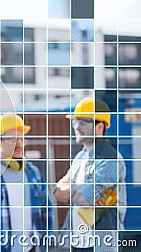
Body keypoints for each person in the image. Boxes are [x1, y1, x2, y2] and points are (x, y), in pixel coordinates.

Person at [0, 114, 53, 252]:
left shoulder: (34, 174)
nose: (19, 144)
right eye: (13, 139)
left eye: (21, 139)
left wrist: (44, 246)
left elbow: (47, 211)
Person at [54, 97, 127, 252]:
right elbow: (57, 193)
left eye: (83, 122)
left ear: (99, 126)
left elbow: (85, 198)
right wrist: (79, 190)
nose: (76, 127)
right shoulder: (79, 158)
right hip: (75, 243)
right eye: (75, 122)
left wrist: (73, 192)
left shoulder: (110, 158)